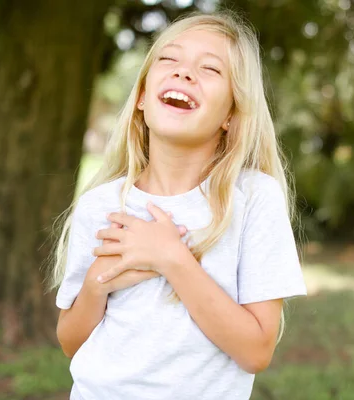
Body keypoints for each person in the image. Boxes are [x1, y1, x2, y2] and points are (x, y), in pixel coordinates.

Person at [49, 11, 307, 400]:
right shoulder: (101, 205)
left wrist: (172, 258)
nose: (184, 73)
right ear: (140, 97)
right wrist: (97, 282)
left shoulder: (253, 199)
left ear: (231, 116)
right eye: (169, 60)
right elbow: (71, 342)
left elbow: (256, 351)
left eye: (210, 69)